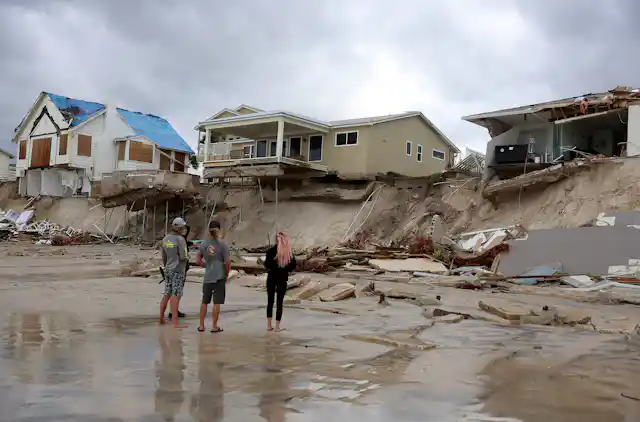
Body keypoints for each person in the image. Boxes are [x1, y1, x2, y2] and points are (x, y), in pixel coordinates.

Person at [196, 220, 230, 333]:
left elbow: (197, 260)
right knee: (217, 302)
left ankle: (201, 325)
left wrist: (207, 265)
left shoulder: (204, 243)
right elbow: (227, 262)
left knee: (204, 301)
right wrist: (226, 274)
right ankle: (214, 326)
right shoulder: (223, 244)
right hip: (219, 276)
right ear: (219, 230)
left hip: (208, 276)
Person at [264, 232, 296, 332]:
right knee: (279, 302)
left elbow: (266, 265)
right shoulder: (288, 253)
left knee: (270, 301)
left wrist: (274, 265)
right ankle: (277, 326)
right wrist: (284, 267)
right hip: (282, 279)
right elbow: (293, 266)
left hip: (271, 278)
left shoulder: (270, 251)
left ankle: (269, 325)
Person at [159, 217, 189, 328]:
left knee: (167, 294)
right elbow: (183, 256)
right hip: (178, 270)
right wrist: (187, 258)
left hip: (168, 269)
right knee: (175, 295)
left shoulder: (165, 239)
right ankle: (175, 322)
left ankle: (161, 319)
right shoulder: (181, 240)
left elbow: (164, 256)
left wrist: (167, 265)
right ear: (180, 228)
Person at [168, 224, 192, 320]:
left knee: (172, 291)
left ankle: (173, 311)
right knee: (177, 291)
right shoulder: (180, 240)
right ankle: (173, 312)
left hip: (173, 267)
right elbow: (183, 255)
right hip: (180, 268)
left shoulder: (172, 239)